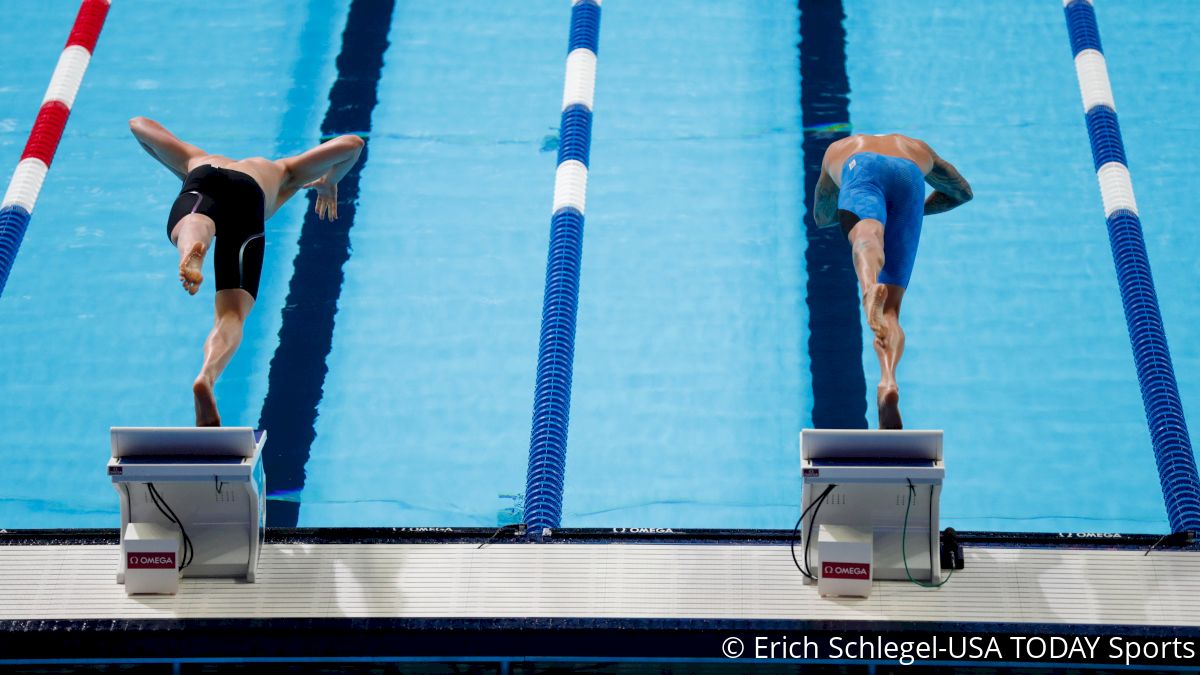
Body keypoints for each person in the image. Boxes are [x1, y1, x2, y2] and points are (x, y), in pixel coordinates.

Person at [129, 116, 365, 427]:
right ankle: (207, 376)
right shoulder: (283, 171)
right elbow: (353, 144)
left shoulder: (195, 158)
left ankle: (191, 245)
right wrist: (331, 181)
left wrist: (177, 169)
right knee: (231, 315)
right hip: (250, 194)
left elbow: (139, 126)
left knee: (194, 220)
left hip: (201, 181)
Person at [812, 134, 972, 429]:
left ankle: (868, 283)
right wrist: (909, 213)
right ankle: (888, 381)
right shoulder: (918, 147)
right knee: (890, 311)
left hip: (861, 168)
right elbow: (962, 192)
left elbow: (822, 216)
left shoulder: (839, 149)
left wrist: (871, 211)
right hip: (910, 176)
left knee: (867, 234)